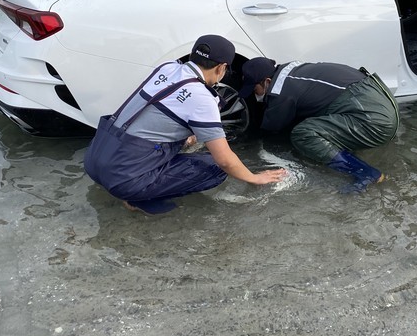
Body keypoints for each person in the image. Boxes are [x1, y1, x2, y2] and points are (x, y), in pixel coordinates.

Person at [84, 35, 287, 214]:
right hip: (124, 178)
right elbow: (225, 160)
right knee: (215, 167)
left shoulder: (168, 67)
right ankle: (138, 196)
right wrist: (254, 178)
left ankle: (129, 184)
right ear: (222, 68)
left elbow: (159, 110)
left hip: (96, 158)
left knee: (182, 144)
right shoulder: (202, 98)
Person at [238, 58, 400, 191]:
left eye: (254, 89)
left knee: (303, 134)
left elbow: (271, 130)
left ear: (266, 81)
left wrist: (245, 145)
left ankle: (366, 173)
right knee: (309, 122)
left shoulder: (280, 92)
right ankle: (345, 148)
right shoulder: (289, 69)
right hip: (382, 103)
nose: (254, 94)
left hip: (375, 122)